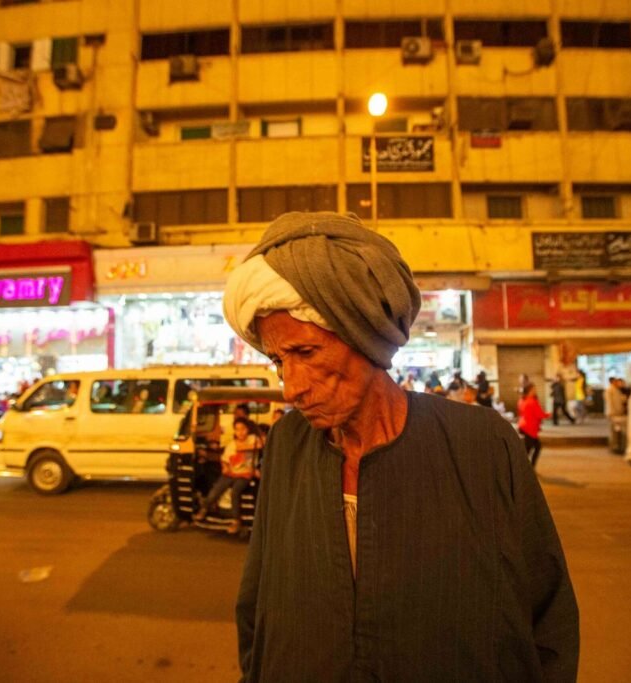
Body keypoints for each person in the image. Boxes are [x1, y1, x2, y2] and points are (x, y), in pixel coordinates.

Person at [223, 211, 578, 681]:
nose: (291, 387)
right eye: (277, 361)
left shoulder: (482, 444)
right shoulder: (288, 444)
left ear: (365, 336)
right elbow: (257, 605)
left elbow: (549, 614)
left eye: (306, 353)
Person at [193, 416, 262, 534]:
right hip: (231, 473)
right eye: (237, 429)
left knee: (235, 492)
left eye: (243, 429)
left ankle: (236, 521)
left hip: (245, 474)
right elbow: (224, 459)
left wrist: (243, 447)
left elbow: (260, 445)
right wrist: (225, 467)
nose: (240, 432)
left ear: (247, 429)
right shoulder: (231, 444)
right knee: (216, 489)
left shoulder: (253, 439)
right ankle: (205, 508)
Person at [517, 383, 550, 468]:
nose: (535, 391)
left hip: (523, 426)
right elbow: (539, 414)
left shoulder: (521, 400)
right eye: (533, 389)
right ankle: (527, 467)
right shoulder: (532, 401)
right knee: (532, 448)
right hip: (530, 428)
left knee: (529, 448)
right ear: (529, 391)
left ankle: (526, 467)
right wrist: (549, 415)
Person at [604, 377, 628, 455]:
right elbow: (609, 403)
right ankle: (614, 446)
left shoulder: (617, 390)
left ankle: (618, 446)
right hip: (613, 413)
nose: (617, 383)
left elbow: (620, 400)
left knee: (618, 431)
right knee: (614, 431)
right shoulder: (609, 390)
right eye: (616, 382)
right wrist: (612, 413)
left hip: (618, 413)